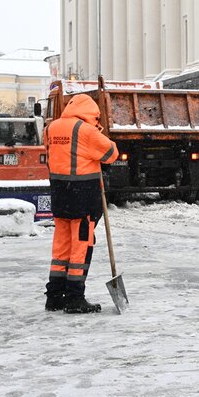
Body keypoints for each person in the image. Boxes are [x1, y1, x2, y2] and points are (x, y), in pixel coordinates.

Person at [44, 94, 119, 313]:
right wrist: (98, 132)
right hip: (83, 199)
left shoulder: (51, 128)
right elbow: (111, 153)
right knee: (80, 249)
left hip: (60, 196)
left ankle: (55, 297)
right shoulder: (86, 131)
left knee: (60, 249)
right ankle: (75, 298)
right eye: (96, 117)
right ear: (90, 113)